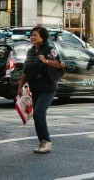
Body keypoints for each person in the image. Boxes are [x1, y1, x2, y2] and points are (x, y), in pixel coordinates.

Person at [17, 26, 65, 154]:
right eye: (31, 35)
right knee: (39, 116)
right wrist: (20, 86)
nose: (32, 37)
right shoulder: (31, 51)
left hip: (48, 87)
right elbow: (26, 70)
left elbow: (61, 64)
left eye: (35, 35)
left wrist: (46, 61)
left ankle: (46, 141)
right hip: (35, 88)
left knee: (38, 113)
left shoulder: (50, 49)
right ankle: (43, 142)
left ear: (42, 37)